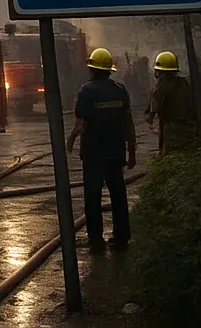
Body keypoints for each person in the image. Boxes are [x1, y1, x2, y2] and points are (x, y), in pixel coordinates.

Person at [67, 47, 136, 253]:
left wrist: (70, 141)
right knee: (118, 195)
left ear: (92, 70)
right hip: (115, 153)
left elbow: (80, 124)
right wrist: (132, 151)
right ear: (109, 70)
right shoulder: (120, 90)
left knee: (92, 197)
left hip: (93, 154)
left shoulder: (86, 91)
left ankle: (96, 240)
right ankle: (121, 236)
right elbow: (128, 123)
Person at [145, 50, 198, 154]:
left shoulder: (160, 89)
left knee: (171, 157)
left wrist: (151, 120)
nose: (155, 75)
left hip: (172, 134)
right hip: (190, 133)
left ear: (160, 73)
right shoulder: (185, 84)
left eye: (157, 71)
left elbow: (151, 114)